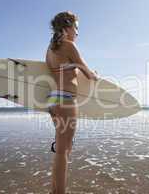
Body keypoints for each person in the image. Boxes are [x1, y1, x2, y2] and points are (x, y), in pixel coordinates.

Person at [45, 11, 98, 194]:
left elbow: (60, 73)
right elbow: (89, 75)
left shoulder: (50, 50)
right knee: (63, 152)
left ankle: (55, 190)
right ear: (67, 27)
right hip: (66, 101)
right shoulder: (69, 46)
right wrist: (95, 75)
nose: (77, 32)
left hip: (53, 101)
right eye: (76, 27)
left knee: (62, 150)